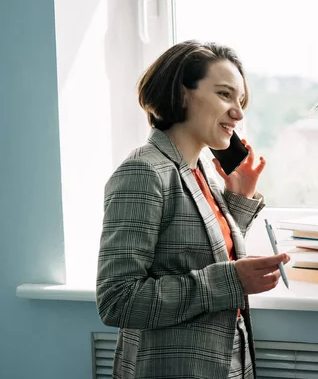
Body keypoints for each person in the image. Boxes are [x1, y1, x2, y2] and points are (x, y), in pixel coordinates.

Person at [96, 40, 290, 379]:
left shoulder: (198, 170)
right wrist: (232, 279)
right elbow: (118, 299)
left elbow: (195, 253)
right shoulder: (143, 172)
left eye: (241, 100)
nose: (239, 113)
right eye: (225, 95)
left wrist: (238, 201)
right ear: (183, 93)